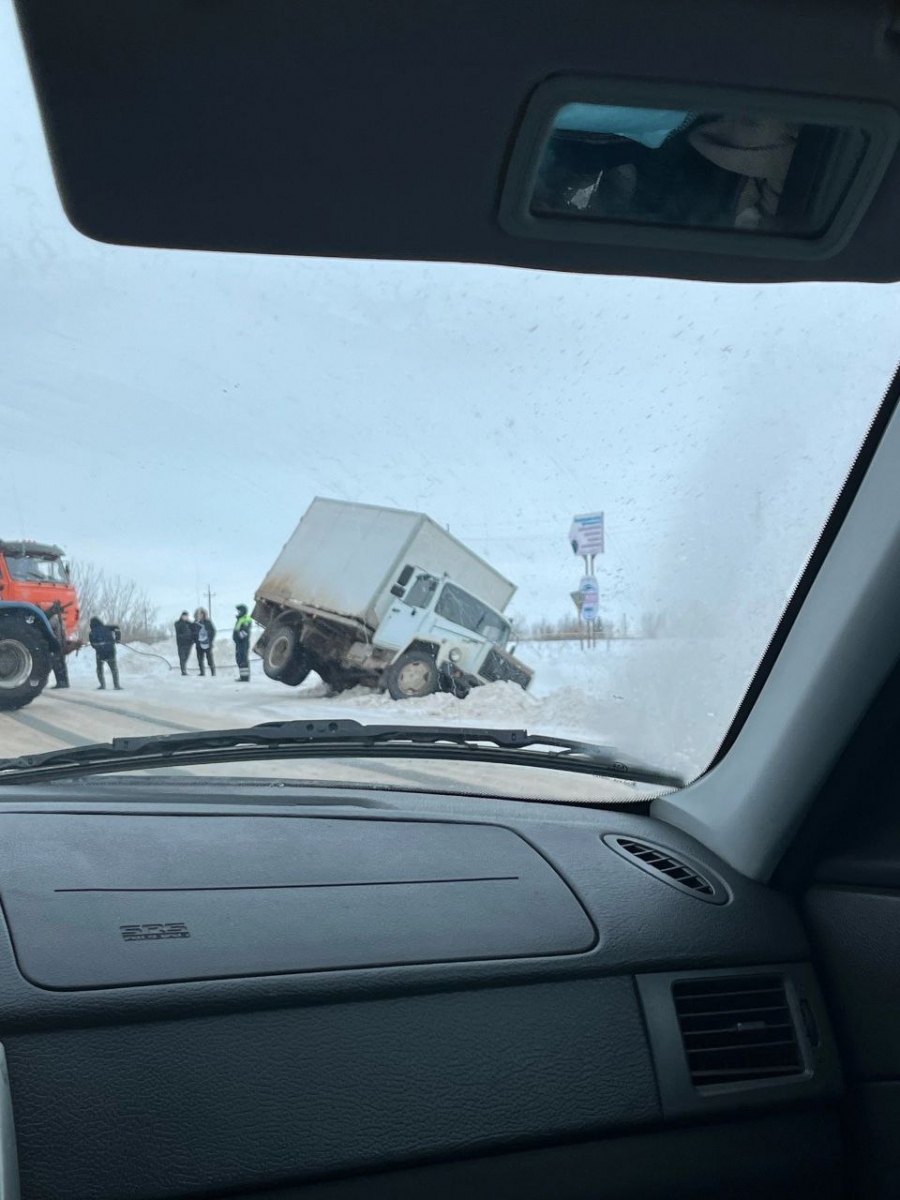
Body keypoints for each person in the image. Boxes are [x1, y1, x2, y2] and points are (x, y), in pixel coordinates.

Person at [88, 616, 122, 690]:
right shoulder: (107, 628)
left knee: (99, 670)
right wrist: (117, 639)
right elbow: (117, 628)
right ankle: (116, 685)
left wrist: (98, 646)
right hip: (110, 651)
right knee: (114, 669)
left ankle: (102, 685)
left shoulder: (91, 633)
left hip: (100, 654)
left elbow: (93, 645)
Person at [44, 601, 69, 689]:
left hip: (57, 644)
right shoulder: (59, 618)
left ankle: (61, 682)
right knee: (61, 663)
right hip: (61, 643)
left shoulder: (53, 618)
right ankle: (64, 682)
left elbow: (49, 628)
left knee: (57, 664)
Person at [194, 607, 217, 676]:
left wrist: (209, 640)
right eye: (199, 614)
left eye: (201, 614)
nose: (200, 615)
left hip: (207, 644)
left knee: (209, 659)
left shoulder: (208, 622)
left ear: (204, 614)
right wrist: (196, 640)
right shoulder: (196, 623)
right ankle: (202, 672)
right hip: (199, 644)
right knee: (200, 659)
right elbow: (193, 633)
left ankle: (213, 672)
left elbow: (213, 631)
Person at [233, 604, 253, 682]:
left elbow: (244, 632)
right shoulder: (240, 619)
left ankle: (245, 677)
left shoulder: (246, 619)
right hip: (239, 643)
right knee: (239, 659)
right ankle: (242, 676)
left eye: (238, 611)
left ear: (242, 611)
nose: (237, 612)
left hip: (243, 643)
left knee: (243, 659)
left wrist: (239, 637)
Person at [174, 611, 196, 676]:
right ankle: (183, 671)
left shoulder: (190, 624)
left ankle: (183, 668)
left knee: (186, 656)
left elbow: (194, 629)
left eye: (187, 616)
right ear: (182, 616)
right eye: (184, 616)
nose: (186, 617)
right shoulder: (178, 623)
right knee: (182, 657)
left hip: (189, 643)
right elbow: (177, 627)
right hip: (181, 643)